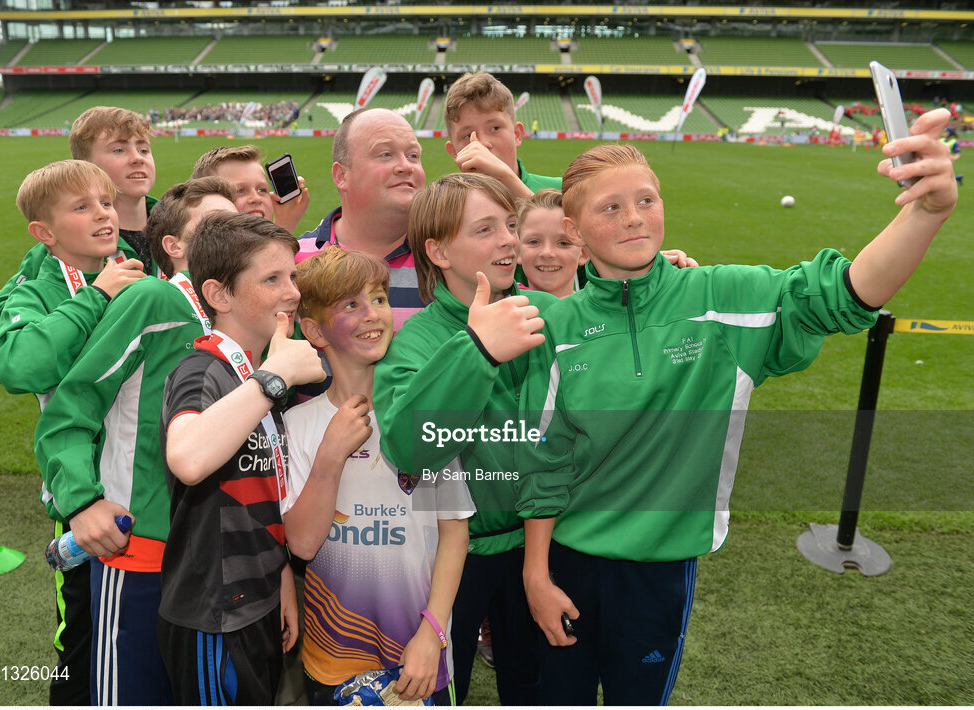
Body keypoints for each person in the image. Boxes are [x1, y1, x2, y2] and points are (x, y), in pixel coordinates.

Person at [518, 108, 959, 705]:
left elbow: (846, 293)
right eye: (610, 207)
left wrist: (925, 214)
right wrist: (536, 574)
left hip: (660, 570)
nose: (634, 218)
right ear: (573, 228)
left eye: (646, 199)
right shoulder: (554, 326)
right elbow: (545, 463)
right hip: (566, 563)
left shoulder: (722, 300)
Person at [33, 177, 239, 705]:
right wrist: (81, 501)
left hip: (220, 553)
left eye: (235, 225)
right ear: (173, 246)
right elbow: (71, 407)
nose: (230, 237)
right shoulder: (153, 297)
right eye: (214, 227)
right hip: (144, 550)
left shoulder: (240, 316)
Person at [374, 173, 556, 705]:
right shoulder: (416, 344)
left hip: (540, 546)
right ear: (438, 251)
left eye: (509, 225)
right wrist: (476, 349)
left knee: (538, 687)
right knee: (446, 691)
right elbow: (409, 449)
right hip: (454, 561)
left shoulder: (546, 315)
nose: (507, 240)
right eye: (485, 229)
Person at [282, 246, 474, 705]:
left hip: (419, 650)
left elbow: (454, 533)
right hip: (333, 655)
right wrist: (330, 455)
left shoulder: (420, 416)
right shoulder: (296, 424)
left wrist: (433, 633)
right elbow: (303, 544)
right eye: (351, 305)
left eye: (380, 299)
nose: (373, 314)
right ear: (314, 331)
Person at [0, 159, 146, 705]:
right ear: (44, 233)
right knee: (82, 641)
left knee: (144, 637)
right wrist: (96, 297)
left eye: (105, 202)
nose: (104, 214)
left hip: (149, 483)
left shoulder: (131, 265)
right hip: (85, 496)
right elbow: (21, 364)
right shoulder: (32, 290)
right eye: (83, 207)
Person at [158, 211, 325, 704]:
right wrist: (273, 378)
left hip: (257, 600)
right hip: (214, 616)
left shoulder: (252, 376)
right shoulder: (202, 370)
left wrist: (281, 584)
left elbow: (260, 491)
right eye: (271, 279)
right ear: (218, 295)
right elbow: (188, 457)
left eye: (292, 275)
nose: (292, 291)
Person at [0, 106, 159, 341]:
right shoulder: (62, 247)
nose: (137, 158)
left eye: (144, 149)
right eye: (119, 149)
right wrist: (79, 311)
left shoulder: (180, 227)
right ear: (86, 166)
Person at [296, 108, 427, 331]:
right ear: (342, 176)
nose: (406, 166)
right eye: (386, 154)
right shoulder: (294, 263)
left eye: (413, 155)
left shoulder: (448, 258)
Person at [443, 71, 560, 200]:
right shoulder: (446, 212)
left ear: (517, 135)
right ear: (454, 152)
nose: (482, 144)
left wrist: (509, 180)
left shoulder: (564, 190)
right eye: (467, 135)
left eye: (495, 128)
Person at [191, 144, 311, 234]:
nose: (256, 198)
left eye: (262, 190)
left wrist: (286, 221)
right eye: (240, 191)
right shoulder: (207, 263)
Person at [517, 189, 588, 299]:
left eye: (563, 243)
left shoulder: (594, 312)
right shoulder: (499, 308)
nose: (547, 253)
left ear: (584, 253)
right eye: (534, 242)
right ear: (517, 251)